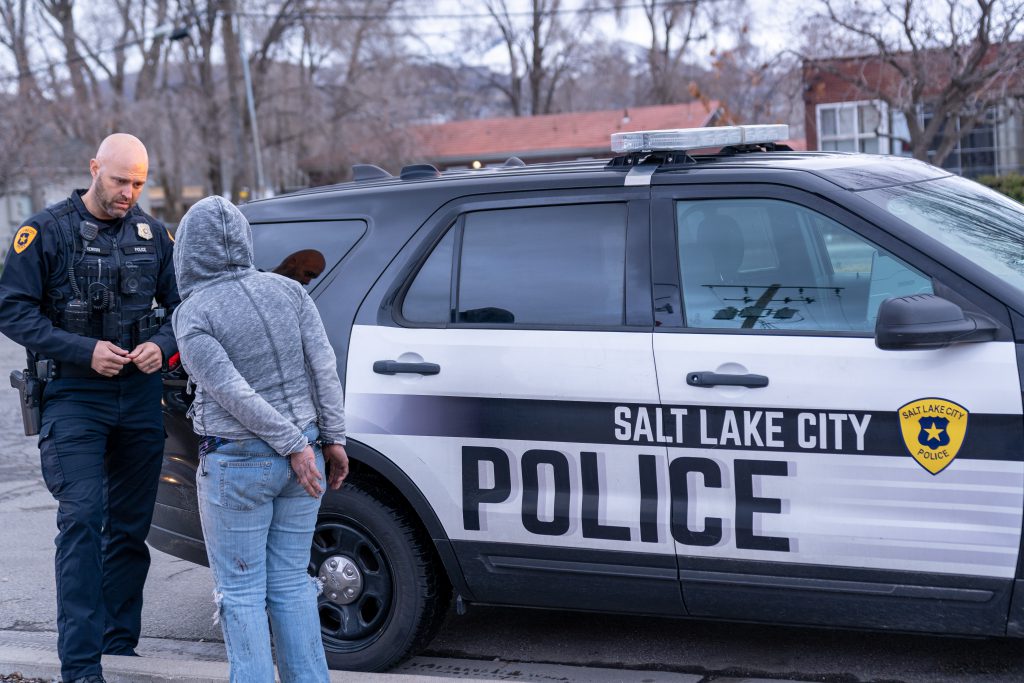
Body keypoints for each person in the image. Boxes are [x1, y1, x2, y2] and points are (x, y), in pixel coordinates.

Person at [0, 133, 179, 683]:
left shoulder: (154, 235)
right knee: (82, 520)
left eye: (139, 183)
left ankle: (119, 648)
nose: (129, 192)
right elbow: (12, 310)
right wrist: (84, 351)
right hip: (75, 397)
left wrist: (164, 346)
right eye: (120, 180)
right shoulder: (44, 230)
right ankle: (80, 668)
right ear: (95, 168)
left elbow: (184, 307)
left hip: (141, 396)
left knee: (129, 527)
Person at [171, 195, 349, 683]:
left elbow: (229, 391)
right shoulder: (289, 293)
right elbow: (324, 368)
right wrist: (331, 438)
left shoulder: (194, 313)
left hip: (239, 464)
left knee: (241, 592)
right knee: (293, 582)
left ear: (187, 250)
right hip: (307, 457)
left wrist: (293, 444)